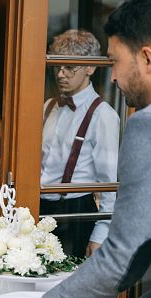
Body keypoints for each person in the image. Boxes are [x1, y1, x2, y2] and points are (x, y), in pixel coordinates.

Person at [45, 0, 151, 296]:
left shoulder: (141, 124)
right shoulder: (49, 107)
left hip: (77, 214)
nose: (113, 76)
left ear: (146, 59)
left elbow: (123, 256)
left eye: (114, 61)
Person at [41, 29, 120, 258]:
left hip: (76, 213)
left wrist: (100, 235)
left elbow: (109, 185)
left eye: (69, 68)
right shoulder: (48, 106)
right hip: (39, 209)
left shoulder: (103, 115)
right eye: (57, 66)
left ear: (90, 68)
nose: (61, 75)